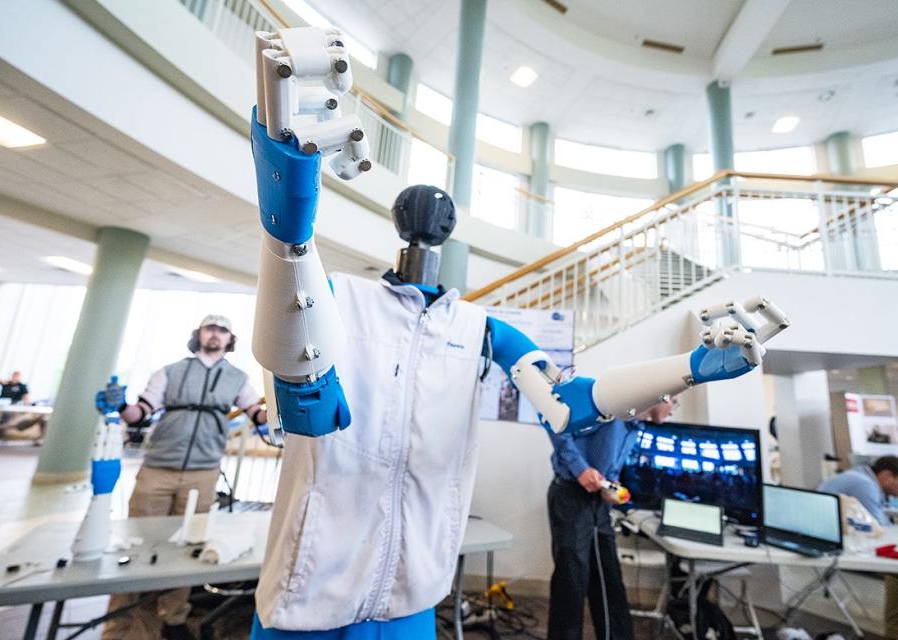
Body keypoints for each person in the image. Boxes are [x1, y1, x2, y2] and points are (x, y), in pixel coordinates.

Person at [245, 25, 787, 640]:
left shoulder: (480, 329)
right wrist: (288, 232)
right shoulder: (341, 298)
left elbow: (569, 405)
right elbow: (303, 397)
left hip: (410, 596)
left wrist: (687, 366)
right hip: (308, 588)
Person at [96, 314, 266, 640]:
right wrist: (119, 405)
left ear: (230, 339)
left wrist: (284, 408)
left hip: (203, 474)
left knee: (188, 549)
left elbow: (257, 414)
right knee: (138, 544)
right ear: (198, 334)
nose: (215, 334)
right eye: (209, 328)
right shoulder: (170, 372)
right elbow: (139, 413)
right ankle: (123, 626)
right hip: (158, 468)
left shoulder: (238, 379)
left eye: (222, 330)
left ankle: (173, 618)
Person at [545, 395, 677, 640]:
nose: (673, 409)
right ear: (661, 395)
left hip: (597, 503)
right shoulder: (609, 406)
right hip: (570, 497)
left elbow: (610, 466)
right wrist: (580, 468)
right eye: (674, 401)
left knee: (609, 581)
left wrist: (611, 484)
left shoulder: (635, 426)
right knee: (571, 581)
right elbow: (553, 419)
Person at [818, 456, 898, 639]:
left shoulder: (857, 476)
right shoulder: (865, 485)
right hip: (844, 546)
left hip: (834, 539)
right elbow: (881, 529)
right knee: (895, 574)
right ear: (887, 475)